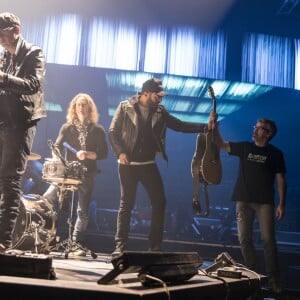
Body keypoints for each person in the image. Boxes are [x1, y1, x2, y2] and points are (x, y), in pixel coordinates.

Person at [109, 77, 215, 255]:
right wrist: (120, 152)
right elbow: (112, 131)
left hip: (148, 164)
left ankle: (155, 246)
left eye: (161, 96)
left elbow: (179, 125)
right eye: (158, 95)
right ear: (146, 93)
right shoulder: (124, 106)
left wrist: (206, 127)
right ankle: (120, 246)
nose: (160, 98)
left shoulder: (160, 111)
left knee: (160, 202)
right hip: (127, 165)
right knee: (127, 203)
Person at [216, 118, 287, 294]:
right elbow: (220, 144)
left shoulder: (275, 153)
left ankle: (274, 280)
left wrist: (281, 204)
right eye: (255, 126)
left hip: (265, 202)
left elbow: (280, 179)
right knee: (244, 239)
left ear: (268, 134)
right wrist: (213, 128)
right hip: (243, 200)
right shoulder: (245, 147)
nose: (255, 129)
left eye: (260, 128)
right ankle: (255, 276)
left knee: (268, 240)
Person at [0, 12, 46, 252]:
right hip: (3, 123)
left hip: (21, 123)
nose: (0, 41)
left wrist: (4, 78)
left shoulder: (33, 53)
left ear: (15, 31)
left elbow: (32, 85)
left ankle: (3, 241)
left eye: (2, 35)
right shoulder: (3, 56)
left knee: (10, 180)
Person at [43, 93, 108, 256]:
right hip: (67, 172)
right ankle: (44, 235)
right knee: (47, 198)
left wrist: (87, 154)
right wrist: (56, 155)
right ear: (74, 107)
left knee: (82, 211)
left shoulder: (98, 130)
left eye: (85, 104)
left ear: (90, 108)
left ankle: (76, 243)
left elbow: (104, 153)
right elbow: (56, 146)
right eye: (79, 104)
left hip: (87, 173)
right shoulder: (67, 127)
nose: (82, 107)